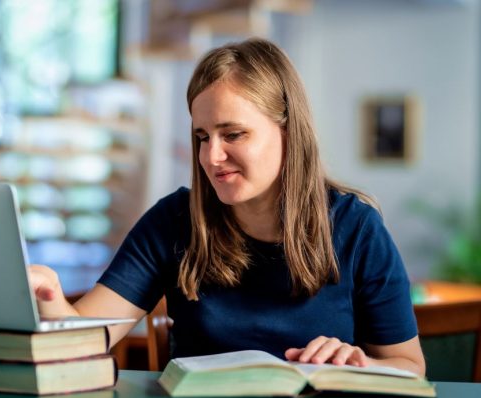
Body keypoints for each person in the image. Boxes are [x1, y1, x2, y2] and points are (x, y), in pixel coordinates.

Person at [29, 38, 425, 375]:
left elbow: (409, 365)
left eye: (233, 134)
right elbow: (84, 341)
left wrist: (361, 363)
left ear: (289, 133)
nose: (211, 156)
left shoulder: (357, 228)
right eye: (202, 136)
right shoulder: (173, 222)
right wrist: (49, 298)